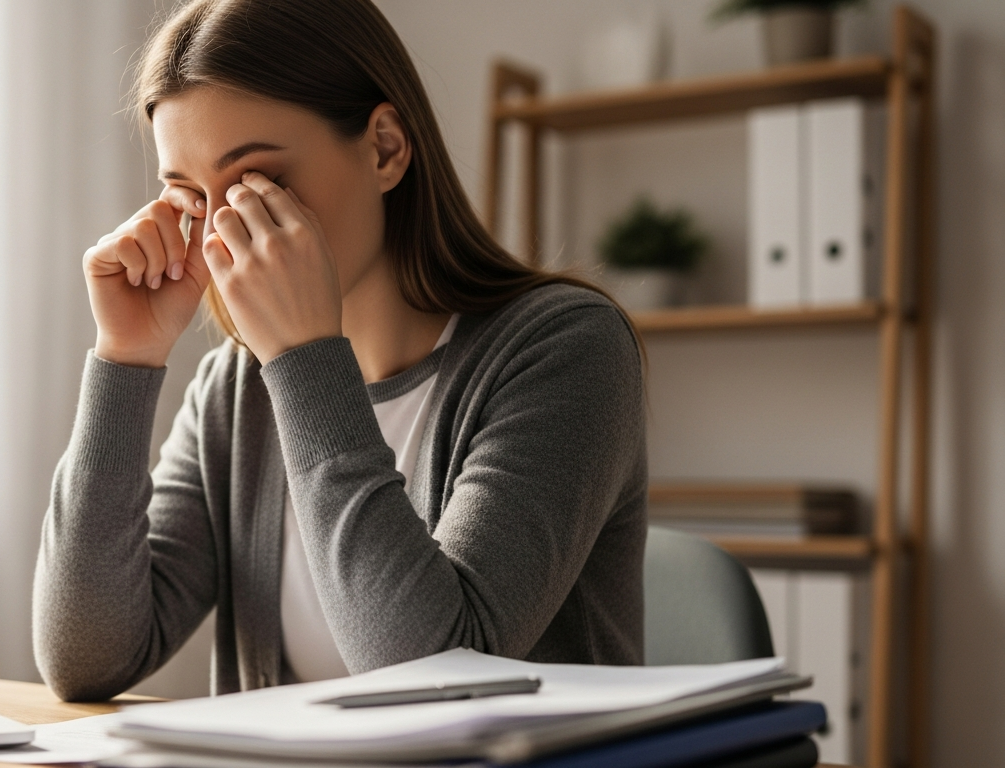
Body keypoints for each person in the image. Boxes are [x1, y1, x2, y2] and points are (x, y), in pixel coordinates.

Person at [32, 0, 647, 701]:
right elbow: (84, 659)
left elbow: (434, 679)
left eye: (255, 185)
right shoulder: (238, 387)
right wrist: (124, 358)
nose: (219, 237)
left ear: (385, 147)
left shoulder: (564, 348)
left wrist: (304, 361)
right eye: (191, 199)